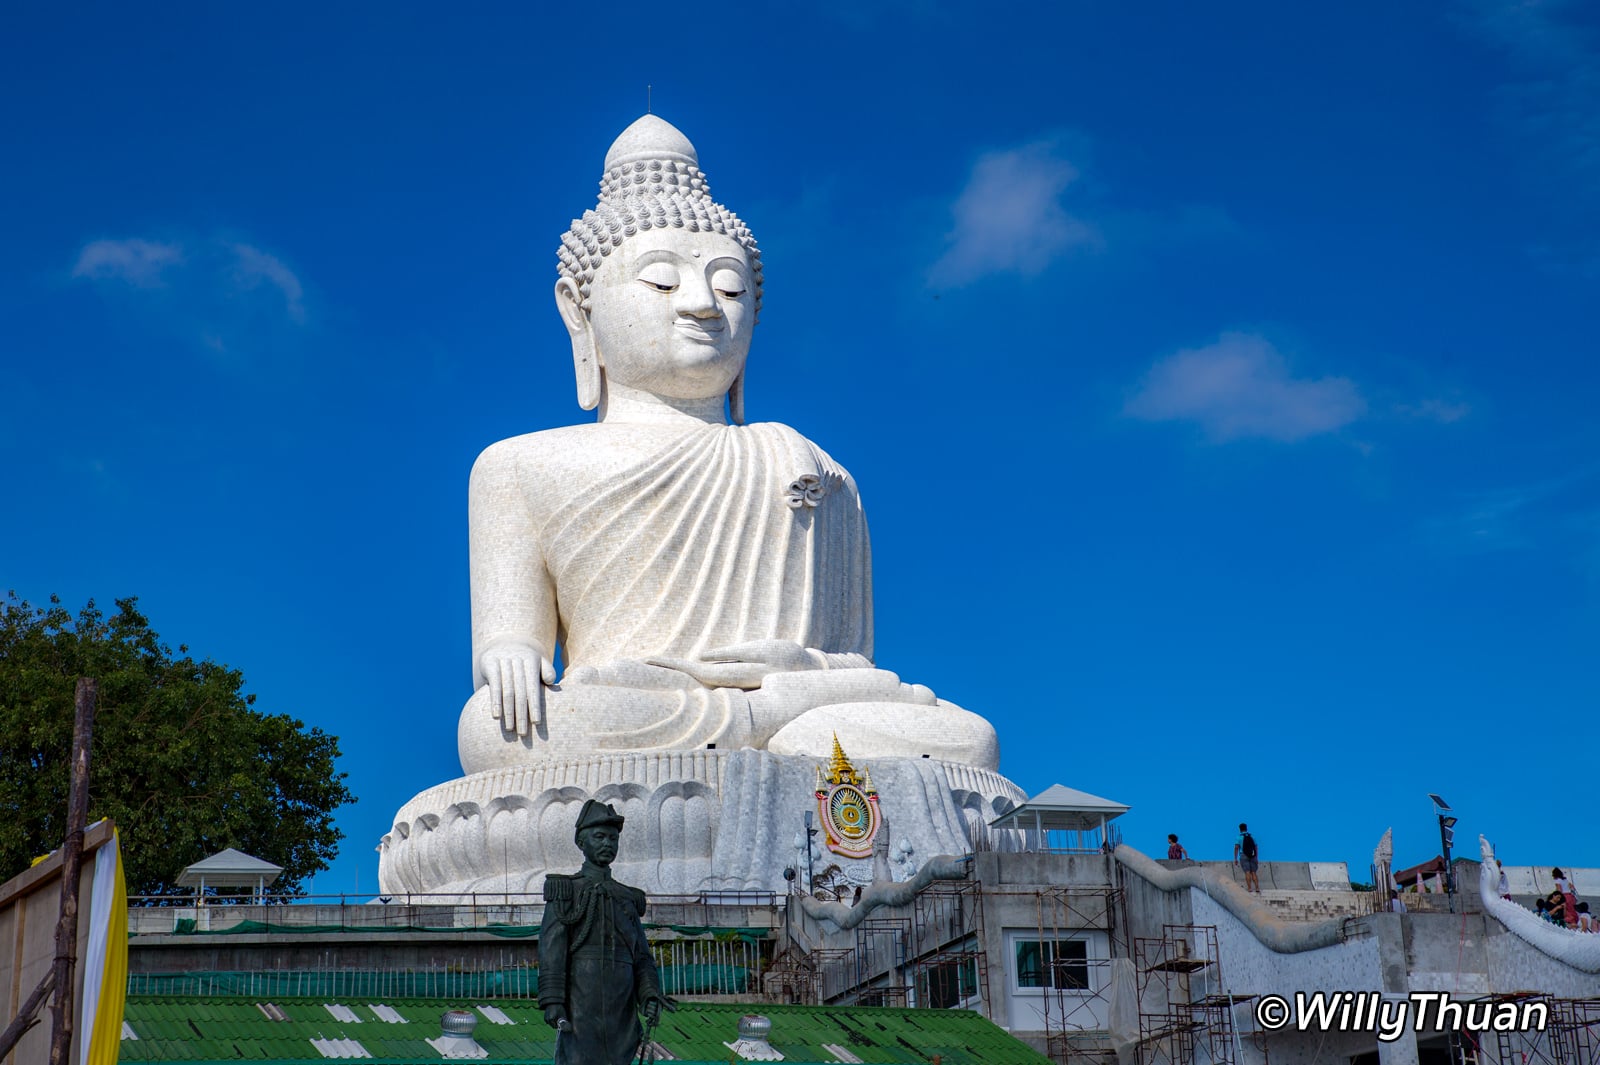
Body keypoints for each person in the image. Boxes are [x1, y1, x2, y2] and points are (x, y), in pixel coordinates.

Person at [455, 114, 999, 775]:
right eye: (661, 279)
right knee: (493, 728)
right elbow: (512, 636)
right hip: (639, 704)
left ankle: (768, 735)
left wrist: (801, 673)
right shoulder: (518, 465)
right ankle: (768, 741)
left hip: (802, 703)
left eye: (730, 285)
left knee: (971, 739)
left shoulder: (817, 468)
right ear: (579, 308)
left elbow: (858, 663)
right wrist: (508, 652)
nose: (703, 304)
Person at [539, 800, 674, 1064]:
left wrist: (648, 993)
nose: (607, 844)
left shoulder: (627, 897)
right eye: (599, 837)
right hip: (581, 996)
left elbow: (641, 956)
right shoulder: (567, 890)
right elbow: (552, 947)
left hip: (620, 1000)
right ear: (581, 842)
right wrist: (553, 1000)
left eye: (613, 838)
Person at [1233, 823, 1261, 894]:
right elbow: (1256, 847)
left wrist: (1235, 858)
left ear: (1240, 829)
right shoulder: (1252, 836)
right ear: (1246, 828)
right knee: (1253, 872)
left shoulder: (1239, 837)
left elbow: (1236, 847)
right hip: (1253, 855)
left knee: (1247, 872)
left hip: (1243, 855)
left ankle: (1249, 888)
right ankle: (1257, 888)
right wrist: (1256, 857)